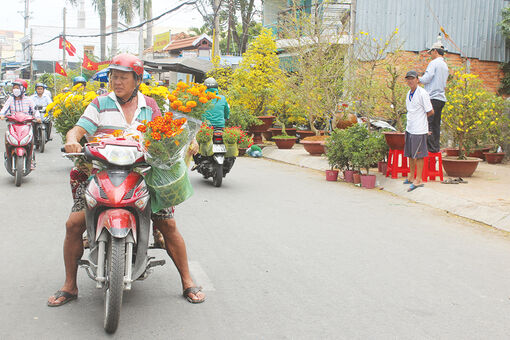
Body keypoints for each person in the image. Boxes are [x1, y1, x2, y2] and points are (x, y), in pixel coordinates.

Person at [47, 53, 206, 307]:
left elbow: (171, 130)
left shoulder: (151, 106)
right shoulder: (99, 104)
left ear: (137, 80)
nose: (116, 82)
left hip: (143, 175)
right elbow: (78, 129)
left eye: (122, 77)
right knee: (73, 225)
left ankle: (187, 280)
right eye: (113, 76)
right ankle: (70, 285)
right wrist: (72, 138)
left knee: (168, 225)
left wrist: (190, 140)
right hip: (101, 175)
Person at [0, 79, 41, 169]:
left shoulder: (29, 100)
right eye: (14, 87)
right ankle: (8, 155)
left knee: (30, 141)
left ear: (23, 89)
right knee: (8, 138)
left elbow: (35, 110)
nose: (15, 89)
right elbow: (4, 109)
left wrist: (37, 117)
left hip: (26, 125)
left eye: (17, 87)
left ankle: (31, 160)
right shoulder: (10, 100)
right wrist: (2, 115)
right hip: (13, 125)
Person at [404, 70, 434, 192]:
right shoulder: (408, 93)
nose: (410, 81)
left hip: (419, 129)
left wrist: (422, 121)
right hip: (409, 128)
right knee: (410, 154)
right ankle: (411, 176)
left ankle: (419, 178)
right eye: (408, 79)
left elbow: (430, 111)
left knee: (419, 155)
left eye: (412, 78)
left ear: (417, 79)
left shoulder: (423, 93)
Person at [418, 36, 449, 153]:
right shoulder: (444, 65)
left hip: (432, 97)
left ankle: (429, 149)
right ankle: (435, 148)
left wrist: (417, 79)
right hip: (441, 98)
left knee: (428, 124)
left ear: (435, 51)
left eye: (431, 52)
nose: (430, 54)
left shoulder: (434, 63)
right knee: (436, 124)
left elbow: (427, 78)